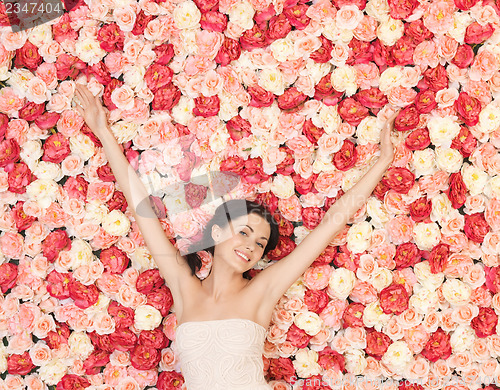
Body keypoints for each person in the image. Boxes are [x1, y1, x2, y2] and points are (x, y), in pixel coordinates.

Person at [74, 83, 396, 389]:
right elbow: (140, 207)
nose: (251, 247)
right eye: (244, 232)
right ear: (216, 231)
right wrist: (102, 129)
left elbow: (328, 225)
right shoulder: (184, 287)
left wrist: (383, 161)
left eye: (259, 243)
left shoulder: (263, 290)